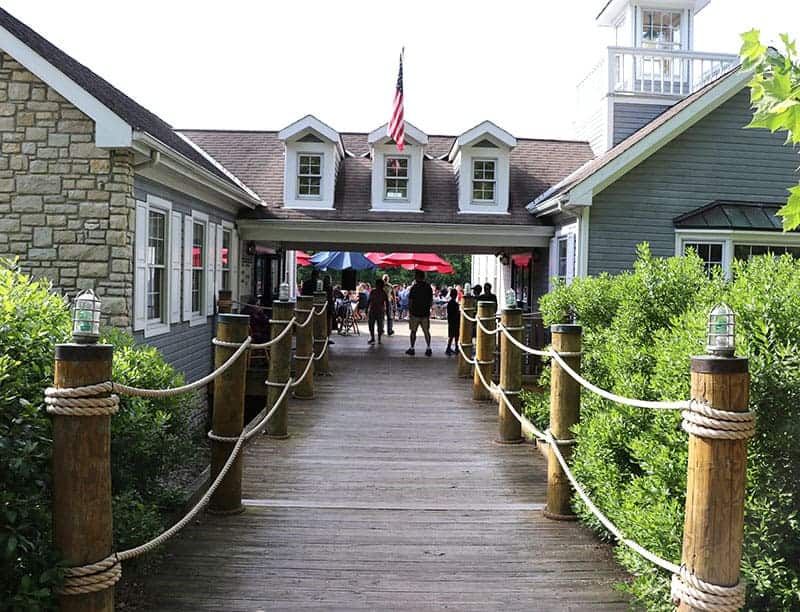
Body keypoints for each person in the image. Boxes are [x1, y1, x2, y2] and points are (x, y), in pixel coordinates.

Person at [406, 270, 433, 357]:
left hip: (415, 313)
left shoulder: (414, 288)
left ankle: (412, 348)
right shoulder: (428, 287)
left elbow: (410, 301)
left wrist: (410, 312)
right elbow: (431, 300)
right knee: (426, 331)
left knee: (413, 331)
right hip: (425, 313)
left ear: (417, 277)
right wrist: (428, 308)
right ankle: (428, 348)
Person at [367, 277, 389, 345]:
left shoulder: (373, 291)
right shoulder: (383, 292)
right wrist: (387, 311)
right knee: (379, 325)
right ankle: (378, 339)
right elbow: (387, 303)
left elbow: (369, 301)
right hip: (379, 311)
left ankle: (374, 338)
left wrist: (366, 308)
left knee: (372, 325)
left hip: (374, 310)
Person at [445, 288, 460, 356]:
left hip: (451, 321)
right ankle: (454, 347)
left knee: (451, 335)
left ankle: (450, 347)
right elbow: (456, 313)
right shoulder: (455, 304)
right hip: (455, 321)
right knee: (455, 335)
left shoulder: (449, 303)